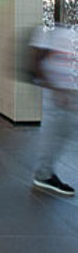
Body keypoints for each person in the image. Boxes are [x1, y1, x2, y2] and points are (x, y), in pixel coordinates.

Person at [29, 24, 77, 196]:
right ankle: (43, 174)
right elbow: (36, 60)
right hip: (59, 96)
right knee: (53, 136)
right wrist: (53, 88)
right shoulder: (49, 31)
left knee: (58, 136)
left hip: (70, 94)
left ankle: (44, 173)